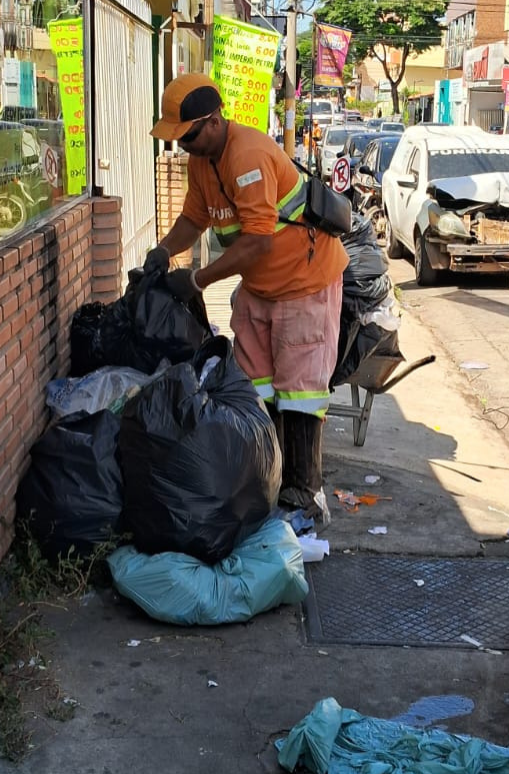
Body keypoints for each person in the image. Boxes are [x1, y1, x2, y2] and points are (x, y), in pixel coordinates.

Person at [146, 74, 348, 524]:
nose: (186, 146)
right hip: (260, 288)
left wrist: (196, 280)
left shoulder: (249, 154)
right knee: (254, 387)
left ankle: (304, 492)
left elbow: (257, 242)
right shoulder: (203, 163)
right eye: (180, 139)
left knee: (300, 393)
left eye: (190, 136)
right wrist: (163, 250)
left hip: (303, 282)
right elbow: (193, 220)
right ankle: (267, 479)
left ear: (214, 121)